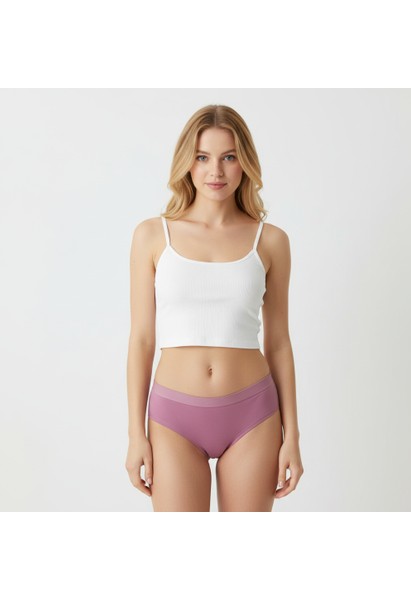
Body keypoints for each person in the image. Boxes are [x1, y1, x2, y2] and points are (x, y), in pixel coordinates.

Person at [125, 104, 304, 511]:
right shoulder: (152, 236)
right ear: (186, 162)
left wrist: (292, 435)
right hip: (173, 418)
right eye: (203, 157)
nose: (215, 171)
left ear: (246, 162)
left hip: (253, 415)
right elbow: (141, 340)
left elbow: (278, 342)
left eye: (229, 157)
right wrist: (136, 434)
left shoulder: (271, 241)